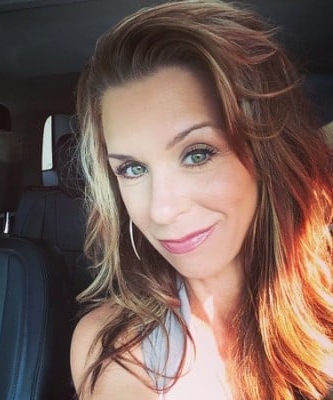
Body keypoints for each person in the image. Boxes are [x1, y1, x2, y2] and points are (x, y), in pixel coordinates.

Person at [70, 1, 333, 399]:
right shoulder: (114, 345)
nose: (161, 210)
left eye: (197, 154)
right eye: (133, 169)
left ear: (268, 156)